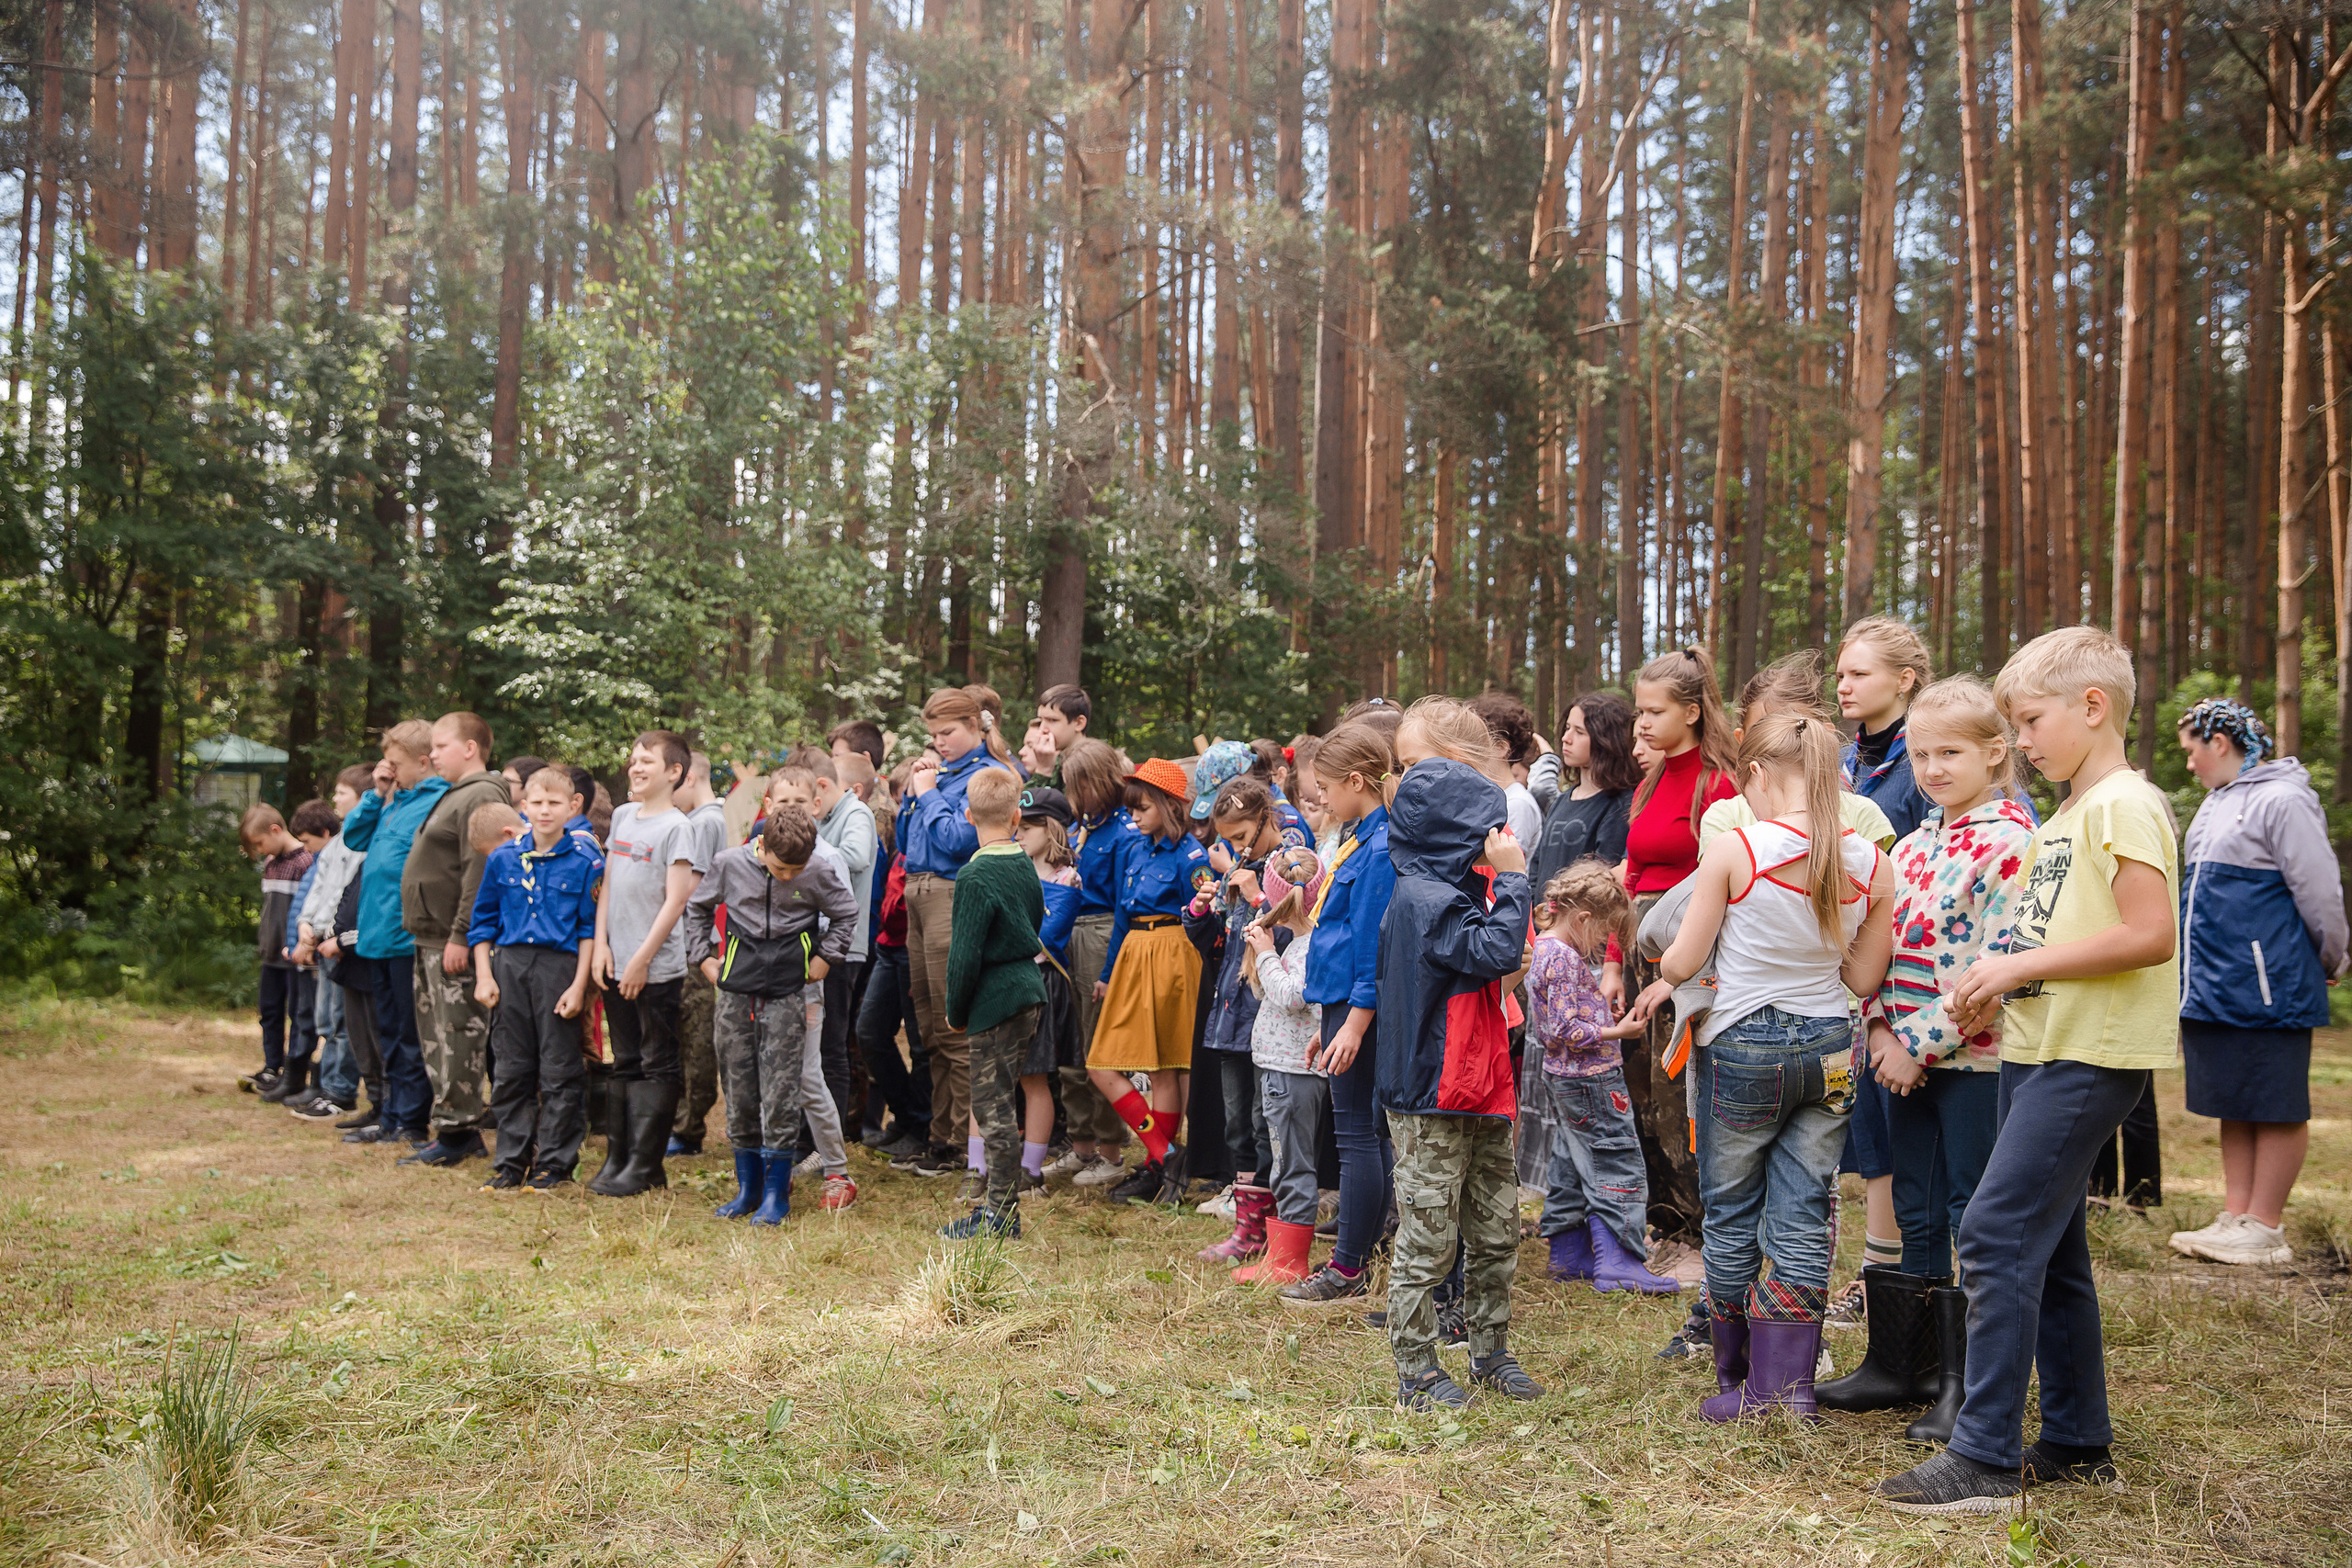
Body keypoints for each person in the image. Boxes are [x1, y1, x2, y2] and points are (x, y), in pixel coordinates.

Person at [1874, 626, 2182, 1515]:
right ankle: (2079, 1439)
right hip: (2037, 1047)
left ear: (2093, 708)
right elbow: (2053, 935)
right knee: (2054, 1256)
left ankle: (1980, 1454)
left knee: (1997, 1230)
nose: (2022, 739)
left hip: (2089, 1055)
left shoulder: (2123, 803)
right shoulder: (2063, 818)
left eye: (2031, 720)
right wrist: (1996, 978)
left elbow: (2148, 933)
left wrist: (2012, 969)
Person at [1634, 711, 1894, 1423]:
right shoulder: (1872, 860)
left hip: (1744, 1045)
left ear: (1754, 776)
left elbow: (1680, 960)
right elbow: (1864, 974)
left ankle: (1736, 1379)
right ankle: (1791, 1389)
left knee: (1733, 1208)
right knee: (1804, 1212)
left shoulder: (1736, 850)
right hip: (1831, 1049)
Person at [1819, 676, 2035, 1441]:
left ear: (1995, 752)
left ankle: (1965, 1384)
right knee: (1913, 1204)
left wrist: (1916, 1043)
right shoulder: (1909, 845)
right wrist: (1878, 1032)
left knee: (1968, 1207)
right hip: (1894, 1055)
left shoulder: (2013, 843)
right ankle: (1899, 1364)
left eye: (1951, 752)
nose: (1934, 768)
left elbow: (2002, 960)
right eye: (1921, 754)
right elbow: (1872, 948)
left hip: (1972, 1063)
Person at [1374, 748, 1540, 1410]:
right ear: (1451, 831)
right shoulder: (1424, 897)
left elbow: (1493, 960)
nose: (1497, 840)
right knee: (1429, 1237)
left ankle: (1490, 1347)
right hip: (1431, 1095)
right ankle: (1416, 1369)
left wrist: (1502, 902)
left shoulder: (1456, 889)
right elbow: (1493, 949)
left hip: (1480, 1085)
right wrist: (1516, 883)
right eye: (1486, 827)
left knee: (1496, 1226)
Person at [2167, 697, 2348, 1268]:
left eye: (2192, 752)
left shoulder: (2284, 798)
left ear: (2219, 743)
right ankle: (2237, 1216)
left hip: (2271, 984)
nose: (2190, 765)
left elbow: (2319, 889)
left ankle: (2266, 1226)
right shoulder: (2216, 804)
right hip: (2215, 986)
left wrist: (2334, 957)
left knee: (2275, 1103)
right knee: (2234, 1100)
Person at [1612, 649, 1738, 1255]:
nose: (1640, 723)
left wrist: (1682, 970)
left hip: (1689, 956)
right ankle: (1665, 1218)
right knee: (1639, 1079)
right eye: (1638, 710)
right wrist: (1615, 959)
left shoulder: (1719, 784)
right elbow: (1631, 876)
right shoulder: (1654, 778)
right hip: (1639, 952)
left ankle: (1700, 1228)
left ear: (1692, 711)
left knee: (1677, 1086)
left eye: (1653, 711)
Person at [688, 802, 861, 1221]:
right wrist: (703, 957)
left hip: (787, 991)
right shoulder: (728, 864)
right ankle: (747, 1187)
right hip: (735, 990)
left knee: (783, 1087)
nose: (788, 877)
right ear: (760, 845)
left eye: (795, 870)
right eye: (781, 868)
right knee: (738, 1083)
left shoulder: (817, 869)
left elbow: (846, 912)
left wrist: (826, 957)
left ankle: (775, 1192)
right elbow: (697, 908)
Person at [1281, 721, 1399, 1308]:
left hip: (1357, 1008)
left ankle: (1347, 1269)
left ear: (1358, 780)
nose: (1320, 798)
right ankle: (1363, 1250)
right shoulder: (1357, 835)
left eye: (1327, 786)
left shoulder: (1379, 847)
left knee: (1357, 1136)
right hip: (1338, 1006)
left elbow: (1371, 943)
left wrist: (1352, 1024)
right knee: (1363, 1134)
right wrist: (1330, 1026)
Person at [1527, 862, 1678, 1293]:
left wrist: (1597, 1014)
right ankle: (1620, 1260)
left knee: (1573, 1159)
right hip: (1591, 1078)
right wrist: (1619, 1031)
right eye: (1602, 933)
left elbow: (1566, 1017)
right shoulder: (1562, 957)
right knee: (1615, 1157)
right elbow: (1565, 1030)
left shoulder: (1548, 949)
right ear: (1583, 918)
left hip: (1566, 1078)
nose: (1600, 945)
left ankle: (1570, 1251)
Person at [899, 685, 1026, 1179]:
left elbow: (956, 840)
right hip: (917, 892)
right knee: (928, 1028)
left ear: (977, 725)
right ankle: (942, 1133)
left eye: (948, 732)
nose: (940, 743)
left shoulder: (985, 776)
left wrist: (928, 796)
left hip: (949, 894)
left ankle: (959, 1144)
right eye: (933, 734)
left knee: (954, 1025)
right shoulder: (943, 773)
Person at [467, 765, 604, 1190]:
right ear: (523, 806)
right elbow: (482, 922)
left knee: (560, 1068)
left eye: (554, 803)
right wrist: (484, 976)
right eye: (537, 803)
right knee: (511, 1068)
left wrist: (579, 986)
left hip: (558, 969)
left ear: (572, 807)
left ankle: (554, 1163)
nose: (545, 811)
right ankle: (510, 1161)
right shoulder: (503, 858)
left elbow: (587, 930)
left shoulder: (585, 862)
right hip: (509, 965)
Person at [1086, 756, 1213, 1203]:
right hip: (1134, 957)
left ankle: (1161, 1167)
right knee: (1101, 1063)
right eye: (1131, 808)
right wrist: (1106, 974)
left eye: (1142, 808)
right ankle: (1164, 1152)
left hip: (1174, 956)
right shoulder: (1134, 849)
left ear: (1168, 804)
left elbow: (1203, 918)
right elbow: (1122, 916)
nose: (1133, 816)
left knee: (1165, 1068)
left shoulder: (1190, 856)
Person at [591, 729, 710, 1197]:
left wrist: (640, 960)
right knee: (624, 1060)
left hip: (654, 968)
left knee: (657, 1061)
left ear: (674, 772)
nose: (635, 768)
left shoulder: (679, 828)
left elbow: (675, 901)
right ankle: (618, 1158)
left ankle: (646, 1165)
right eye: (633, 760)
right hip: (613, 959)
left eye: (647, 762)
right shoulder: (621, 817)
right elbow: (609, 885)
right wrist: (603, 945)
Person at [398, 712, 514, 1169]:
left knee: (457, 1032)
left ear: (470, 748)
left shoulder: (482, 793)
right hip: (430, 935)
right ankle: (449, 1124)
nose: (432, 755)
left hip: (452, 939)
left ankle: (460, 1129)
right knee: (436, 1033)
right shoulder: (457, 793)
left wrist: (462, 934)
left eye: (441, 746)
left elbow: (479, 869)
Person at [938, 768, 1051, 1237]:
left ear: (967, 816)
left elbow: (963, 953)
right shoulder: (1024, 863)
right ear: (1016, 815)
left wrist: (955, 1009)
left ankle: (1000, 1216)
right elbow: (1033, 924)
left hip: (995, 998)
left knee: (993, 1108)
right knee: (1003, 1099)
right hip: (1027, 988)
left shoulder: (976, 874)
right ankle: (1000, 1210)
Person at [1188, 777, 1291, 1261]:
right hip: (1228, 1017)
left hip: (1267, 1020)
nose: (1234, 846)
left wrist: (1256, 897)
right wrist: (1201, 909)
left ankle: (1276, 1231)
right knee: (1237, 1126)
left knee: (1263, 1123)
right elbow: (1216, 944)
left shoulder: (1290, 864)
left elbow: (1294, 935)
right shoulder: (1242, 865)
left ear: (1267, 818)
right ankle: (1247, 1232)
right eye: (1226, 838)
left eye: (1242, 834)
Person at [336, 721, 448, 1148]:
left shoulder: (437, 802)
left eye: (396, 765)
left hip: (408, 938)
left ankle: (412, 1119)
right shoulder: (391, 801)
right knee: (387, 1031)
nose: (390, 771)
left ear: (424, 763)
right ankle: (390, 1116)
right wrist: (377, 793)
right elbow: (354, 836)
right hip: (376, 935)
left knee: (410, 1033)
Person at [1046, 737, 1139, 1185]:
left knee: (1098, 1046)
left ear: (1098, 784)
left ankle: (1109, 1152)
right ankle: (1079, 1145)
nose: (1071, 797)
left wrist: (1108, 969)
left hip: (1099, 935)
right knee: (1073, 1047)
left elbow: (1124, 906)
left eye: (1075, 787)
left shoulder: (1123, 833)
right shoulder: (1088, 828)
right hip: (1072, 933)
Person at [785, 749, 879, 1169]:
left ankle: (826, 1148)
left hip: (841, 948)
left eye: (803, 799)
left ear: (819, 790)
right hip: (813, 946)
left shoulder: (855, 813)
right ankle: (807, 1141)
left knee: (832, 1048)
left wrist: (819, 849)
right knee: (814, 1049)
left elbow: (856, 857)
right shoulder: (823, 822)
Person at [1233, 858, 1322, 1285]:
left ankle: (1288, 1264)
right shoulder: (1303, 942)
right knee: (1290, 1161)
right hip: (1286, 1069)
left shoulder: (1307, 946)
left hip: (1292, 1072)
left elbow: (1293, 997)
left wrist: (1266, 953)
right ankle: (1284, 1257)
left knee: (1291, 1164)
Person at [289, 767, 376, 1121]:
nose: (335, 799)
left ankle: (340, 1092)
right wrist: (305, 924)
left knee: (342, 1023)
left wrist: (337, 936)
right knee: (326, 1021)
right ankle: (326, 1087)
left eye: (342, 793)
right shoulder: (335, 843)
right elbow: (318, 889)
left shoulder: (363, 842)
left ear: (363, 799)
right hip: (322, 941)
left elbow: (350, 897)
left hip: (342, 945)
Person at [667, 752, 732, 1157]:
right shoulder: (698, 819)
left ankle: (689, 1126)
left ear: (688, 778)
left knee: (696, 1037)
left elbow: (692, 891)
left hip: (694, 945)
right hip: (684, 943)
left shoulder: (705, 821)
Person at [1018, 784, 1083, 1180]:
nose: (1019, 833)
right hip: (1011, 979)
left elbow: (1043, 938)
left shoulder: (1067, 878)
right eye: (1017, 826)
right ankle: (985, 1163)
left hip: (1042, 981)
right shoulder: (1013, 867)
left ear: (1051, 828)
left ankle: (1031, 1169)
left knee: (1035, 1076)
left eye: (1028, 826)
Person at [239, 803, 317, 1104]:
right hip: (270, 955)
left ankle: (295, 1073)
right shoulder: (272, 863)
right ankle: (272, 1066)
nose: (260, 850)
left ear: (275, 830)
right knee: (269, 1012)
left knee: (298, 1014)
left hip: (294, 956)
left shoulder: (305, 861)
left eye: (259, 843)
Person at [1529, 694, 1640, 892]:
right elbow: (1537, 866)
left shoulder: (1620, 804)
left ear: (1605, 741)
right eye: (1567, 728)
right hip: (1543, 919)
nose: (1566, 738)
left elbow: (1603, 881)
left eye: (1579, 732)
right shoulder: (1563, 800)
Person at [1468, 691, 1544, 846]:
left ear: (1501, 747)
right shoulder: (1490, 798)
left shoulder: (1517, 803)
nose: (1468, 749)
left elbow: (1505, 865)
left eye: (1475, 742)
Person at [1024, 683, 1091, 787]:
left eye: (1052, 720)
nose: (1042, 729)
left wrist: (1043, 771)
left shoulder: (1093, 766)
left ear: (1079, 723)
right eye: (1041, 720)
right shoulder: (1057, 760)